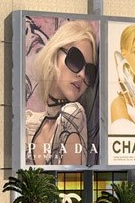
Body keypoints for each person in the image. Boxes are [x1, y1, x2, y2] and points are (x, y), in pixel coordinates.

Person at [25, 19, 99, 166]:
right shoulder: (29, 123)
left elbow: (71, 187)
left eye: (90, 71)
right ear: (55, 54)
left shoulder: (73, 114)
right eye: (76, 60)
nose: (83, 75)